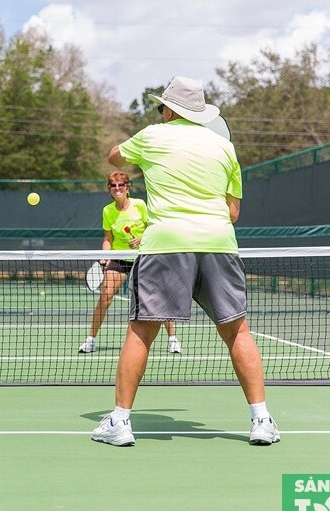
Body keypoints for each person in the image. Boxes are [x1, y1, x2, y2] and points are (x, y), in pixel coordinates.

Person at [91, 76, 280, 447]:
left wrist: (138, 154)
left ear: (172, 109)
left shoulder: (152, 136)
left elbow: (114, 156)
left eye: (162, 107)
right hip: (219, 243)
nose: (160, 112)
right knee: (238, 331)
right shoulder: (225, 148)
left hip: (167, 244)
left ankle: (120, 422)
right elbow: (233, 211)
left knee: (142, 330)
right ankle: (262, 420)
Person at [78, 170, 181, 355]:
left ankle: (173, 339)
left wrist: (142, 238)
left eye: (121, 185)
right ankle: (90, 339)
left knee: (159, 298)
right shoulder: (107, 211)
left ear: (128, 188)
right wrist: (105, 254)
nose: (117, 189)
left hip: (144, 257)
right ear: (109, 190)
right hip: (120, 258)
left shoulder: (139, 205)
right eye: (113, 186)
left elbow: (154, 228)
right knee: (105, 295)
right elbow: (107, 238)